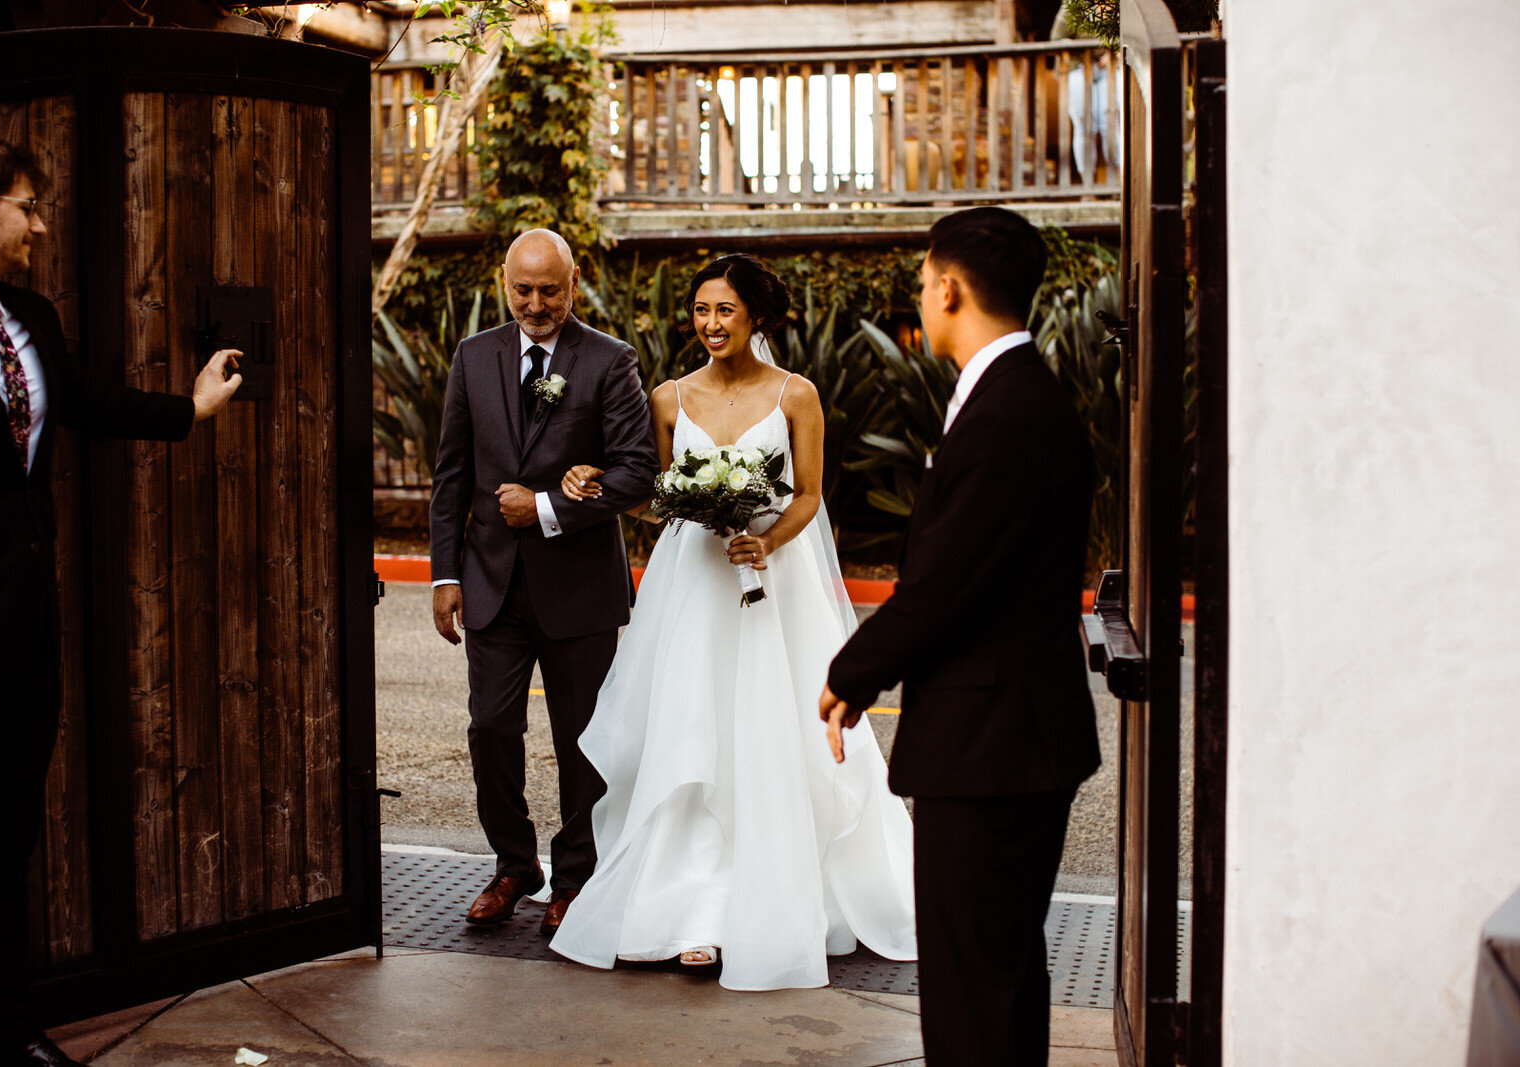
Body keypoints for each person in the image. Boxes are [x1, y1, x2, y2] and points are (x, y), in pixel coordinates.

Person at [0, 134, 242, 1067]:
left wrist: (188, 410)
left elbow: (86, 402)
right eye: (28, 204)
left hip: (24, 630)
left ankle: (10, 1029)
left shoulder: (30, 314)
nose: (41, 221)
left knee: (5, 844)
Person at [547, 253, 916, 990]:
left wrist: (768, 541)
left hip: (771, 585)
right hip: (692, 587)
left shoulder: (797, 395)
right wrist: (589, 479)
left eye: (725, 311)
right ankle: (689, 909)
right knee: (689, 733)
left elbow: (810, 495)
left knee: (770, 738)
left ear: (755, 317)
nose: (711, 325)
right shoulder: (667, 397)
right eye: (701, 311)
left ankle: (775, 897)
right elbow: (658, 495)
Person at [820, 206, 1101, 1065]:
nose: (920, 294)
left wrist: (852, 671)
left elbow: (944, 584)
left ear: (949, 288)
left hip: (993, 747)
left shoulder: (1008, 411)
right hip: (1010, 739)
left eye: (922, 280)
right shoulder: (1018, 395)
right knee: (998, 973)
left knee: (973, 981)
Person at [429, 229, 659, 934]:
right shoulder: (474, 357)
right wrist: (444, 573)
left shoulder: (611, 360)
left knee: (582, 739)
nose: (536, 303)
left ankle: (576, 876)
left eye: (549, 290)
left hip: (579, 587)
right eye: (523, 290)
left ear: (573, 283)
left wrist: (551, 507)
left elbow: (636, 470)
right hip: (491, 580)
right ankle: (514, 862)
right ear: (505, 283)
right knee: (491, 725)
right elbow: (452, 476)